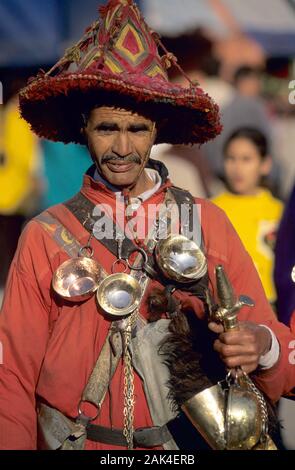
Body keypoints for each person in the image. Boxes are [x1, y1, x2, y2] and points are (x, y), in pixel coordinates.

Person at [0, 0, 295, 451]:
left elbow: (268, 337)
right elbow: (13, 374)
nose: (121, 146)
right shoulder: (44, 235)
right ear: (85, 130)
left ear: (156, 130)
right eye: (107, 129)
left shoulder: (205, 221)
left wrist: (260, 344)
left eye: (137, 129)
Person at [212, 128, 283, 305]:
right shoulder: (211, 209)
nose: (237, 168)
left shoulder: (279, 212)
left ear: (265, 164)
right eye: (231, 158)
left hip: (271, 304)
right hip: (227, 305)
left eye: (246, 159)